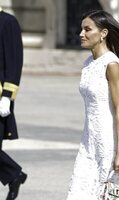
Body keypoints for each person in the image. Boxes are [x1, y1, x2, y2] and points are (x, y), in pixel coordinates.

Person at [66, 10, 119, 200]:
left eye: (87, 29)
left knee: (111, 194)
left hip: (109, 141)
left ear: (103, 34)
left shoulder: (111, 64)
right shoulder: (88, 63)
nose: (81, 34)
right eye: (81, 29)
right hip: (89, 139)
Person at [0, 8, 27, 200]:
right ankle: (13, 174)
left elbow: (14, 61)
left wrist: (7, 96)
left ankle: (13, 174)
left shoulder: (7, 22)